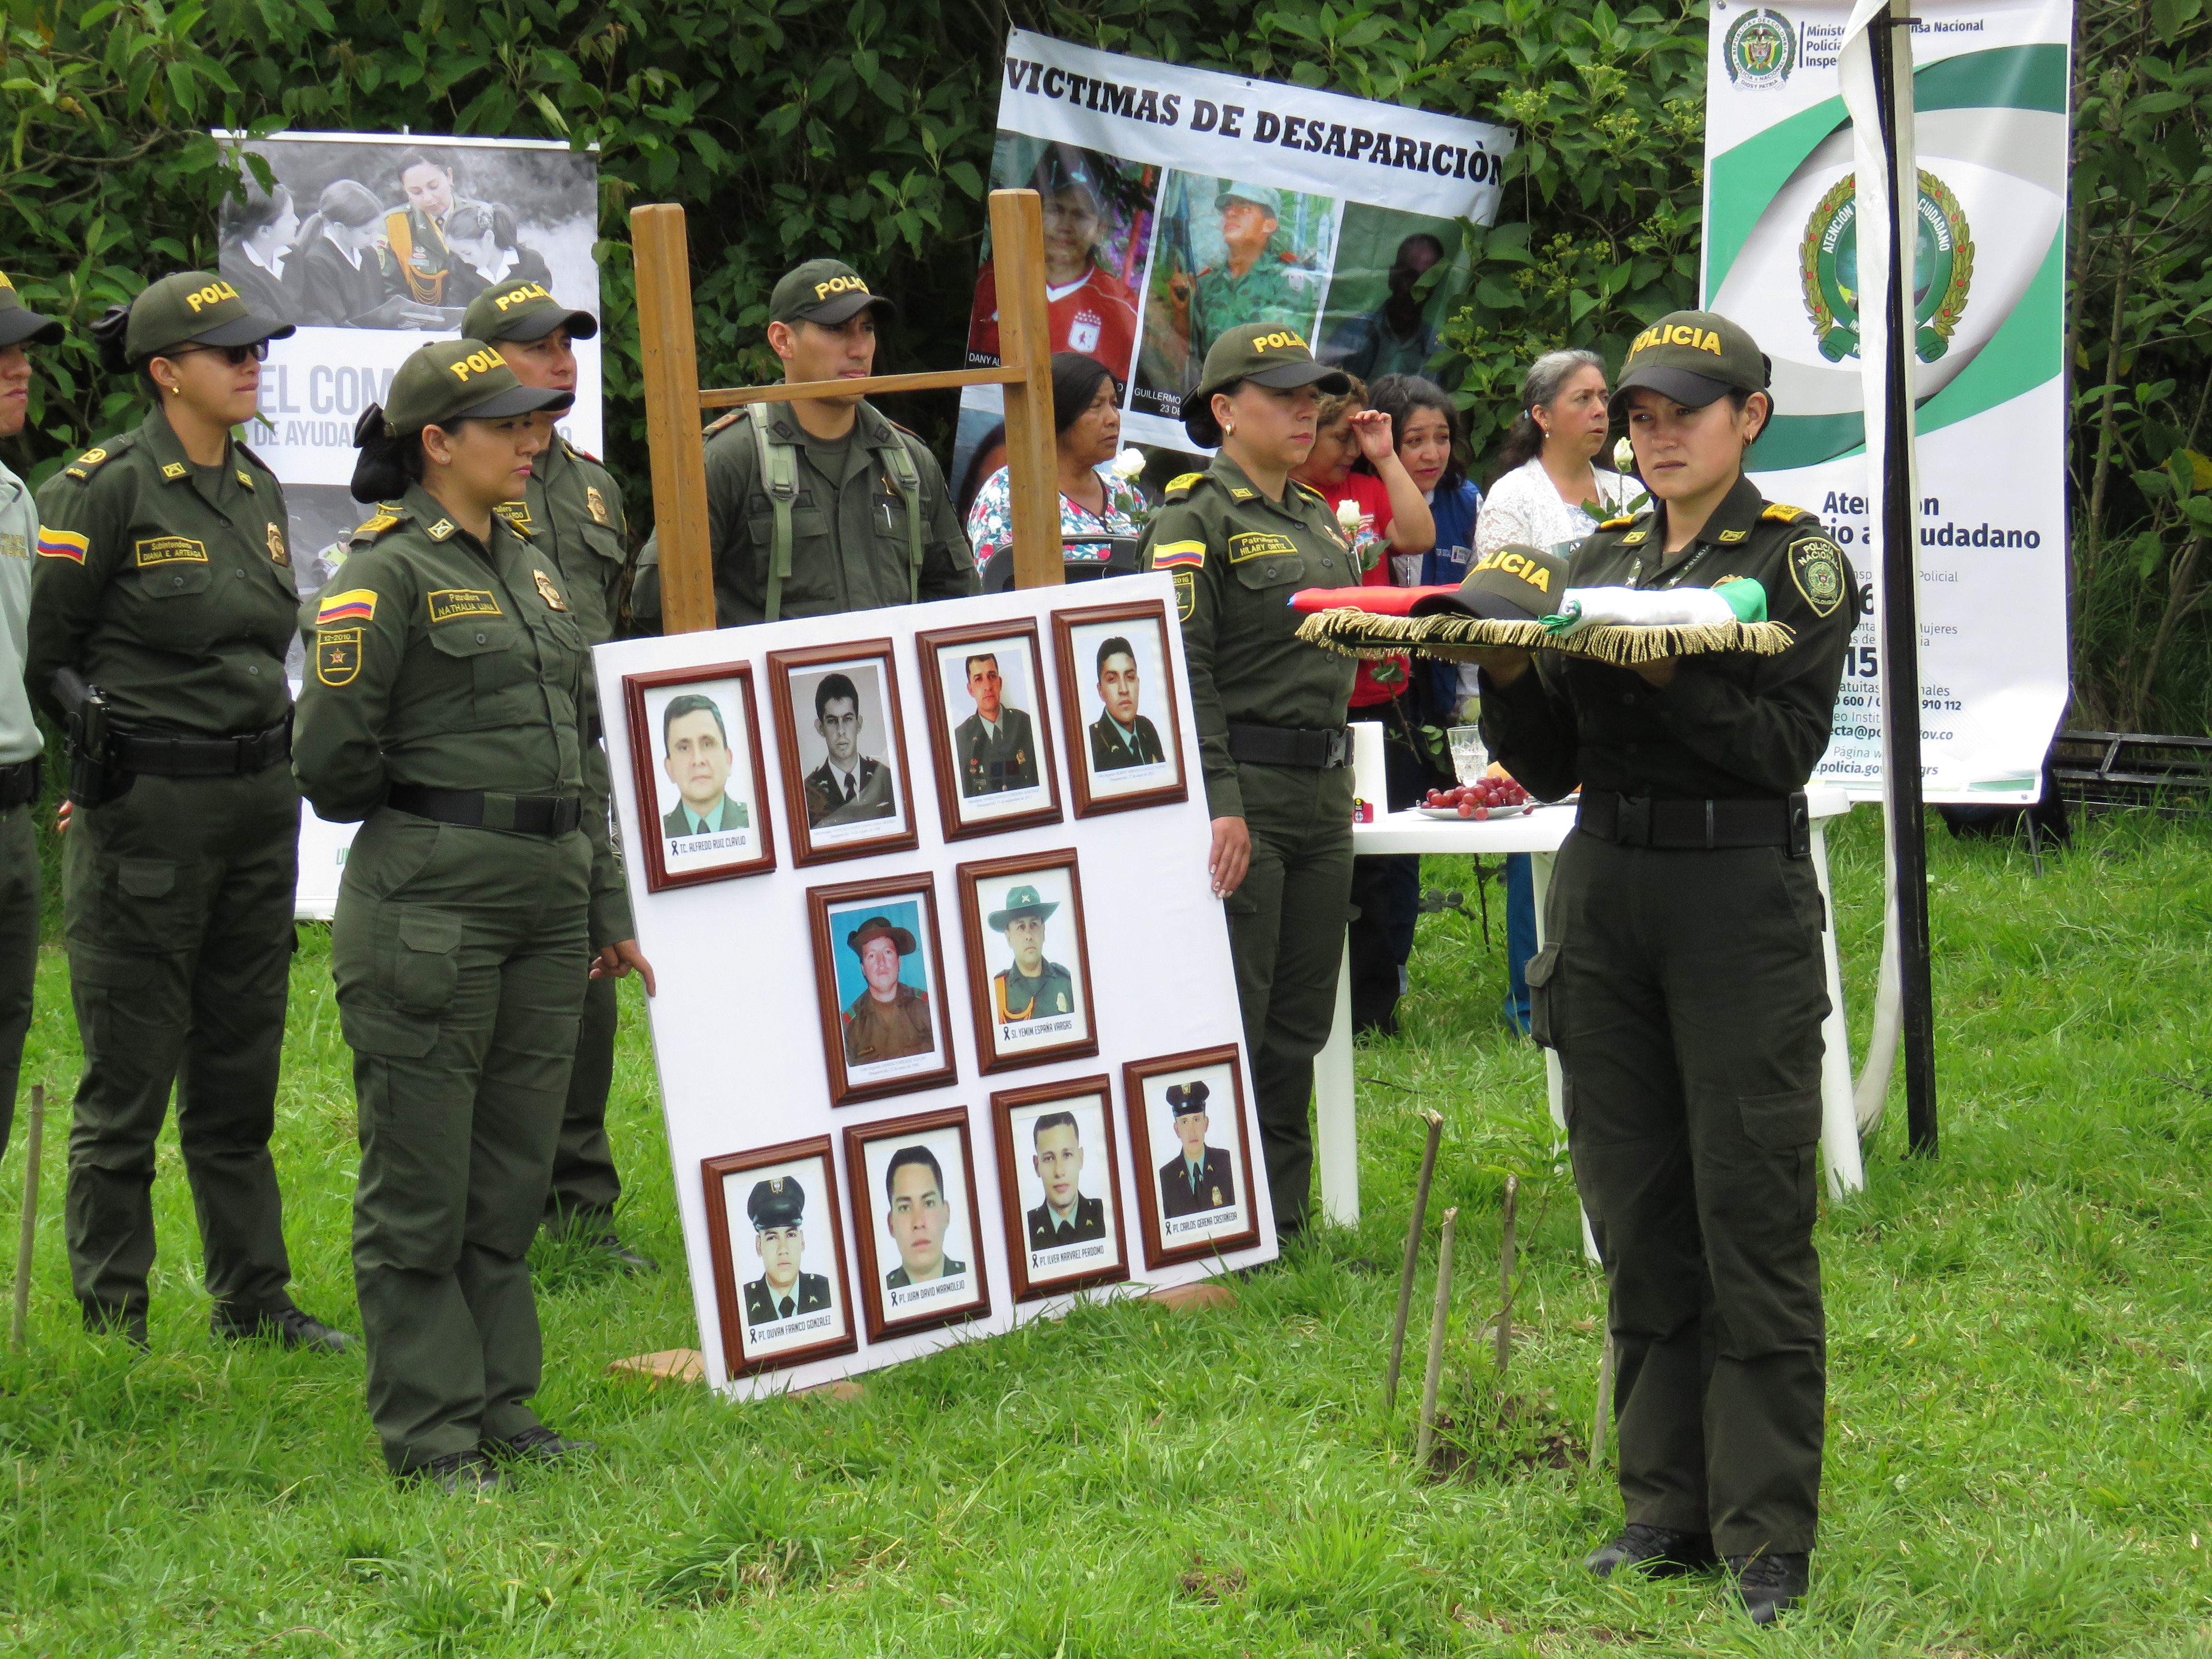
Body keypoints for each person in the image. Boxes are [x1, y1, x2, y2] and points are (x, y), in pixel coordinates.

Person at [1465, 311, 1853, 1624]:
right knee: (1637, 1218)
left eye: (1690, 406)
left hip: (1734, 894)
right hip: (1609, 891)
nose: (1661, 430)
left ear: (1750, 416)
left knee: (1748, 1213)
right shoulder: (1595, 554)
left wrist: (1667, 657)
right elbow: (1556, 766)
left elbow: (1775, 752)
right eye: (1639, 411)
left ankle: (1764, 1535)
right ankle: (1664, 1508)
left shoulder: (1794, 562)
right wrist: (1512, 673)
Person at [294, 337, 653, 1490]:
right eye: (503, 423)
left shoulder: (537, 564)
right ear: (437, 443)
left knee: (505, 1175)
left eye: (533, 419)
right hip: (432, 905)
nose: (529, 437)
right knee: (422, 1179)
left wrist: (603, 898)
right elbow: (335, 765)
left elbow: (579, 746)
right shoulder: (380, 570)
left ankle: (503, 1405)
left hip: (547, 900)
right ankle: (433, 1432)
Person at [31, 274, 342, 1355]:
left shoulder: (255, 485)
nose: (253, 365)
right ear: (167, 372)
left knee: (240, 1068)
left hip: (259, 805)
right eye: (231, 353)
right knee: (129, 1078)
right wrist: (94, 770)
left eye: (259, 349)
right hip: (150, 812)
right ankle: (115, 1314)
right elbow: (46, 655)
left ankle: (253, 1298)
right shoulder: (105, 489)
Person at [1138, 322, 1359, 1238]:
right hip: (1246, 791)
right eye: (1284, 396)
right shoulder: (1194, 518)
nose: (1307, 410)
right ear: (1225, 411)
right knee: (1235, 1008)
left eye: (1314, 396)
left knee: (1299, 1018)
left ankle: (1284, 1219)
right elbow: (1176, 670)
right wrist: (1218, 802)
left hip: (1322, 791)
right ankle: (1210, 1218)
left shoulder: (1313, 515)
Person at [460, 279, 644, 1265]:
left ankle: (580, 1208)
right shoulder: (460, 483)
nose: (562, 361)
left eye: (567, 343)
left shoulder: (596, 488)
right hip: (488, 772)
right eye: (536, 347)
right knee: (487, 1004)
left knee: (588, 996)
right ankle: (489, 1202)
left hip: (580, 775)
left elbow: (615, 623)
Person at [635, 258, 975, 627]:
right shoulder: (730, 458)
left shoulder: (909, 461)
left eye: (868, 329)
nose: (860, 349)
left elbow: (961, 603)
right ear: (783, 340)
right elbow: (659, 608)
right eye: (836, 329)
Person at [1479, 350, 1635, 1033]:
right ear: (1542, 416)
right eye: (1582, 400)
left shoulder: (1630, 492)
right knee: (1534, 840)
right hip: (1543, 686)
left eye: (1604, 398)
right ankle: (1527, 1000)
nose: (1601, 412)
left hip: (1623, 682)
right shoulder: (1516, 496)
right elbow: (1497, 602)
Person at [1290, 374, 1436, 1036]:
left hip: (1386, 701)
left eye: (1357, 432)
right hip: (1321, 708)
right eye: (1339, 434)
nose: (1350, 445)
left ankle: (1377, 1010)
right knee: (1330, 865)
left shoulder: (1367, 485)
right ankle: (1321, 1006)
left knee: (1391, 863)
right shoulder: (1291, 498)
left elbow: (1419, 533)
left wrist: (1384, 454)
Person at [0, 276, 62, 1164]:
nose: (18, 369)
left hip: (14, 810)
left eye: (18, 351)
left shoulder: (19, 497)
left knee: (8, 1025)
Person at [967, 147, 1140, 384]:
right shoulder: (990, 281)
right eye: (1056, 209)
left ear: (1100, 229)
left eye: (1081, 215)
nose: (1065, 226)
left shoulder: (1124, 307)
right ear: (1033, 213)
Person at [964, 354, 1145, 578]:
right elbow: (1003, 589)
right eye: (1096, 406)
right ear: (1058, 414)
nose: (1113, 418)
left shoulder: (1126, 495)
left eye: (1114, 404)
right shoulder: (1011, 494)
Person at [1369, 373, 1485, 720]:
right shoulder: (1359, 499)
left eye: (1443, 438)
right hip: (1377, 683)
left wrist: (1469, 705)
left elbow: (1474, 608)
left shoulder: (1464, 502)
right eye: (1415, 441)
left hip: (1441, 685)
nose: (1432, 454)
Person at [1178, 185, 1318, 370]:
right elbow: (1188, 354)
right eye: (1228, 208)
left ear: (1269, 225)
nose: (1230, 213)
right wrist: (1181, 310)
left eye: (1245, 207)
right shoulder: (1206, 283)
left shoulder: (1287, 281)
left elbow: (1279, 356)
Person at [296, 180, 443, 330]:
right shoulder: (318, 262)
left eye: (376, 230)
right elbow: (336, 322)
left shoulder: (368, 254)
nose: (375, 237)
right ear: (340, 228)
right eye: (367, 232)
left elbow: (378, 309)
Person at [1322, 233, 1446, 382]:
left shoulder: (1437, 348)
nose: (1416, 289)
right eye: (1410, 277)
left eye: (1426, 282)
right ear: (1392, 278)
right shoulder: (1354, 333)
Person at [802, 672, 895, 827]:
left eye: (848, 719)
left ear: (859, 723)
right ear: (820, 728)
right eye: (832, 721)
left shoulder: (887, 779)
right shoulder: (807, 794)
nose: (841, 731)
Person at [383, 150, 471, 310]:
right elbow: (391, 290)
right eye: (416, 192)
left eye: (433, 187)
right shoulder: (395, 224)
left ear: (449, 176)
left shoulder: (480, 215)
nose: (428, 198)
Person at [841, 915, 933, 1067]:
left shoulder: (929, 1008)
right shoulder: (849, 1028)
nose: (881, 963)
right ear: (863, 969)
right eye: (871, 956)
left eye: (888, 952)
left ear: (899, 961)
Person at [742, 1177, 830, 1325]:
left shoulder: (827, 1293)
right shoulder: (744, 1304)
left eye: (790, 1235)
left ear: (802, 1241)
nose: (783, 1249)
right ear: (759, 1246)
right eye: (772, 1238)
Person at [660, 694, 747, 837]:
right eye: (684, 748)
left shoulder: (758, 823)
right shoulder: (656, 835)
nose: (698, 760)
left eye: (708, 744)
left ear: (728, 759)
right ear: (669, 769)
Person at [952, 652, 1037, 796]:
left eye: (992, 676)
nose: (987, 686)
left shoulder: (1028, 725)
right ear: (970, 690)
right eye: (978, 679)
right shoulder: (959, 740)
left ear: (1000, 683)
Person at [218, 179, 301, 325]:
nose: (298, 222)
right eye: (289, 218)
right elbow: (266, 326)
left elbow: (311, 308)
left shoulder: (292, 254)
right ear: (264, 231)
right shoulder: (230, 271)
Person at [441, 203, 554, 310]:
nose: (464, 260)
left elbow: (542, 306)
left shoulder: (531, 263)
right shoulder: (460, 269)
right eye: (457, 254)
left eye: (467, 253)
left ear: (489, 238)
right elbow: (456, 310)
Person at [988, 884, 1074, 1023]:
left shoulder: (1067, 984)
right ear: (1009, 938)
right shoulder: (996, 992)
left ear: (1043, 931)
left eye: (1033, 925)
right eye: (1021, 927)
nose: (1028, 935)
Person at [882, 1145, 965, 1287]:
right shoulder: (880, 1293)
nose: (919, 1222)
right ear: (891, 1224)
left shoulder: (972, 1280)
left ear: (946, 1214)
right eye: (905, 1208)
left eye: (928, 1203)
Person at [1025, 1111, 1104, 1248]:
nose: (1059, 1172)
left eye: (1067, 1155)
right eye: (1049, 1158)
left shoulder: (1106, 1215)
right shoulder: (1025, 1229)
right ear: (1037, 1166)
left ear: (1081, 1158)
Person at [1157, 1081, 1235, 1218]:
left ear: (1206, 1123)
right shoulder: (1165, 1178)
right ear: (1177, 1130)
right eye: (1184, 1122)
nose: (1192, 1131)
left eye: (1197, 1120)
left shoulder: (1228, 1163)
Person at [1090, 635, 1165, 771]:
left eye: (1130, 677)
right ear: (1100, 691)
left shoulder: (1146, 728)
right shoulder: (1091, 742)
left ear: (1138, 683)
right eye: (1112, 679)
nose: (1124, 689)